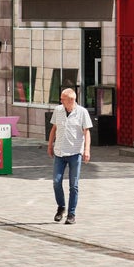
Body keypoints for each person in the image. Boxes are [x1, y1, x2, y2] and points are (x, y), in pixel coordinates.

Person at [47, 88, 92, 225]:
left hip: (74, 153)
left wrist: (87, 150)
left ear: (71, 100)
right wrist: (50, 146)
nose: (60, 101)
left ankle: (71, 214)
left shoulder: (82, 112)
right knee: (56, 181)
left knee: (74, 185)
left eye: (63, 99)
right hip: (59, 152)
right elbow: (54, 129)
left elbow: (86, 132)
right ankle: (61, 207)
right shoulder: (58, 110)